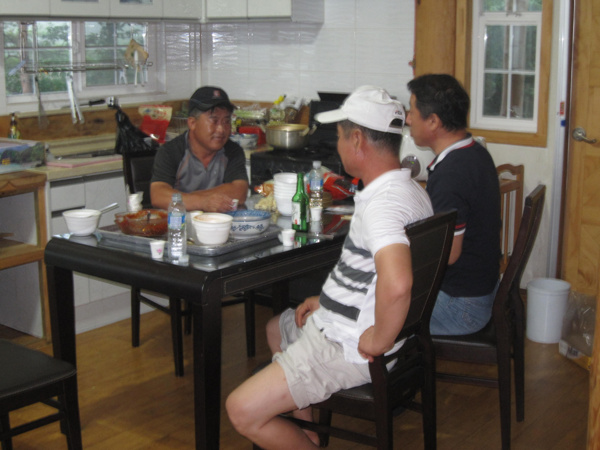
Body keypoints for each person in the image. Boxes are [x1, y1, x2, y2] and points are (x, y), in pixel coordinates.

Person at [226, 85, 433, 449]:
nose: (337, 145)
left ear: (357, 140)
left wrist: (379, 339)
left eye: (338, 136)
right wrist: (326, 301)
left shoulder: (381, 207)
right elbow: (373, 278)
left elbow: (398, 283)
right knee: (278, 327)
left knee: (240, 410)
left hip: (346, 345)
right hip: (361, 327)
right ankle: (308, 435)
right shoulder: (412, 190)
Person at [406, 74, 501, 336]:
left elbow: (447, 254)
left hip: (462, 308)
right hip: (480, 289)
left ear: (433, 121)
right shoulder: (474, 152)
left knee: (372, 308)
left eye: (412, 111)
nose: (408, 119)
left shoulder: (451, 174)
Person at [150, 86, 249, 212]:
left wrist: (186, 199)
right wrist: (202, 202)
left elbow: (239, 192)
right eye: (214, 121)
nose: (221, 129)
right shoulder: (171, 151)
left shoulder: (232, 150)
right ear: (192, 123)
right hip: (181, 222)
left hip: (217, 222)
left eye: (226, 121)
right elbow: (158, 196)